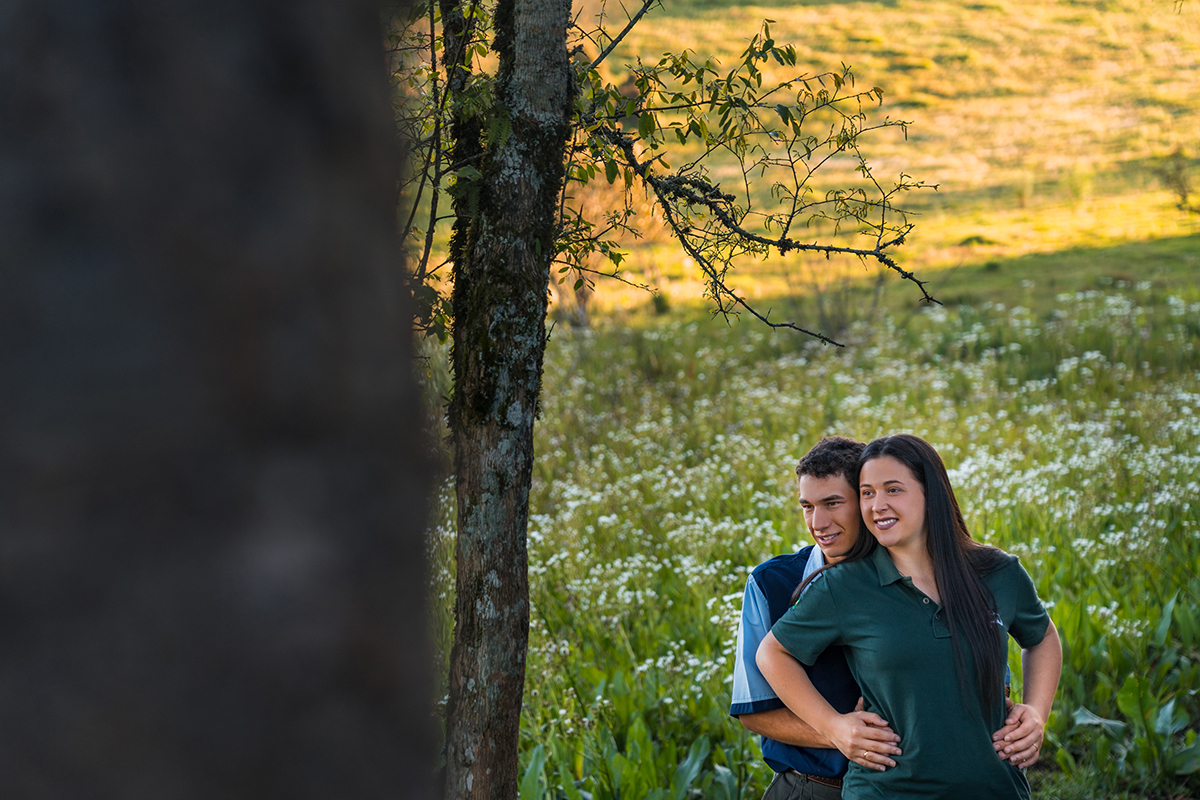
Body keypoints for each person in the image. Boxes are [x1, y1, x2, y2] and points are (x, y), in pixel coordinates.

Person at [757, 434, 1063, 800]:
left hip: (996, 788)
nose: (877, 505)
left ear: (930, 493)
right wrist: (833, 726)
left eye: (893, 490)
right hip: (886, 791)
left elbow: (1042, 637)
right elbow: (772, 653)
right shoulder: (844, 586)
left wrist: (1036, 712)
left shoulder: (998, 571)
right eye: (867, 493)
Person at [730, 436, 901, 800]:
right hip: (810, 787)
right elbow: (754, 711)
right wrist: (838, 732)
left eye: (833, 503)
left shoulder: (912, 571)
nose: (817, 522)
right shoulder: (771, 584)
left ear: (866, 500)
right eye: (807, 506)